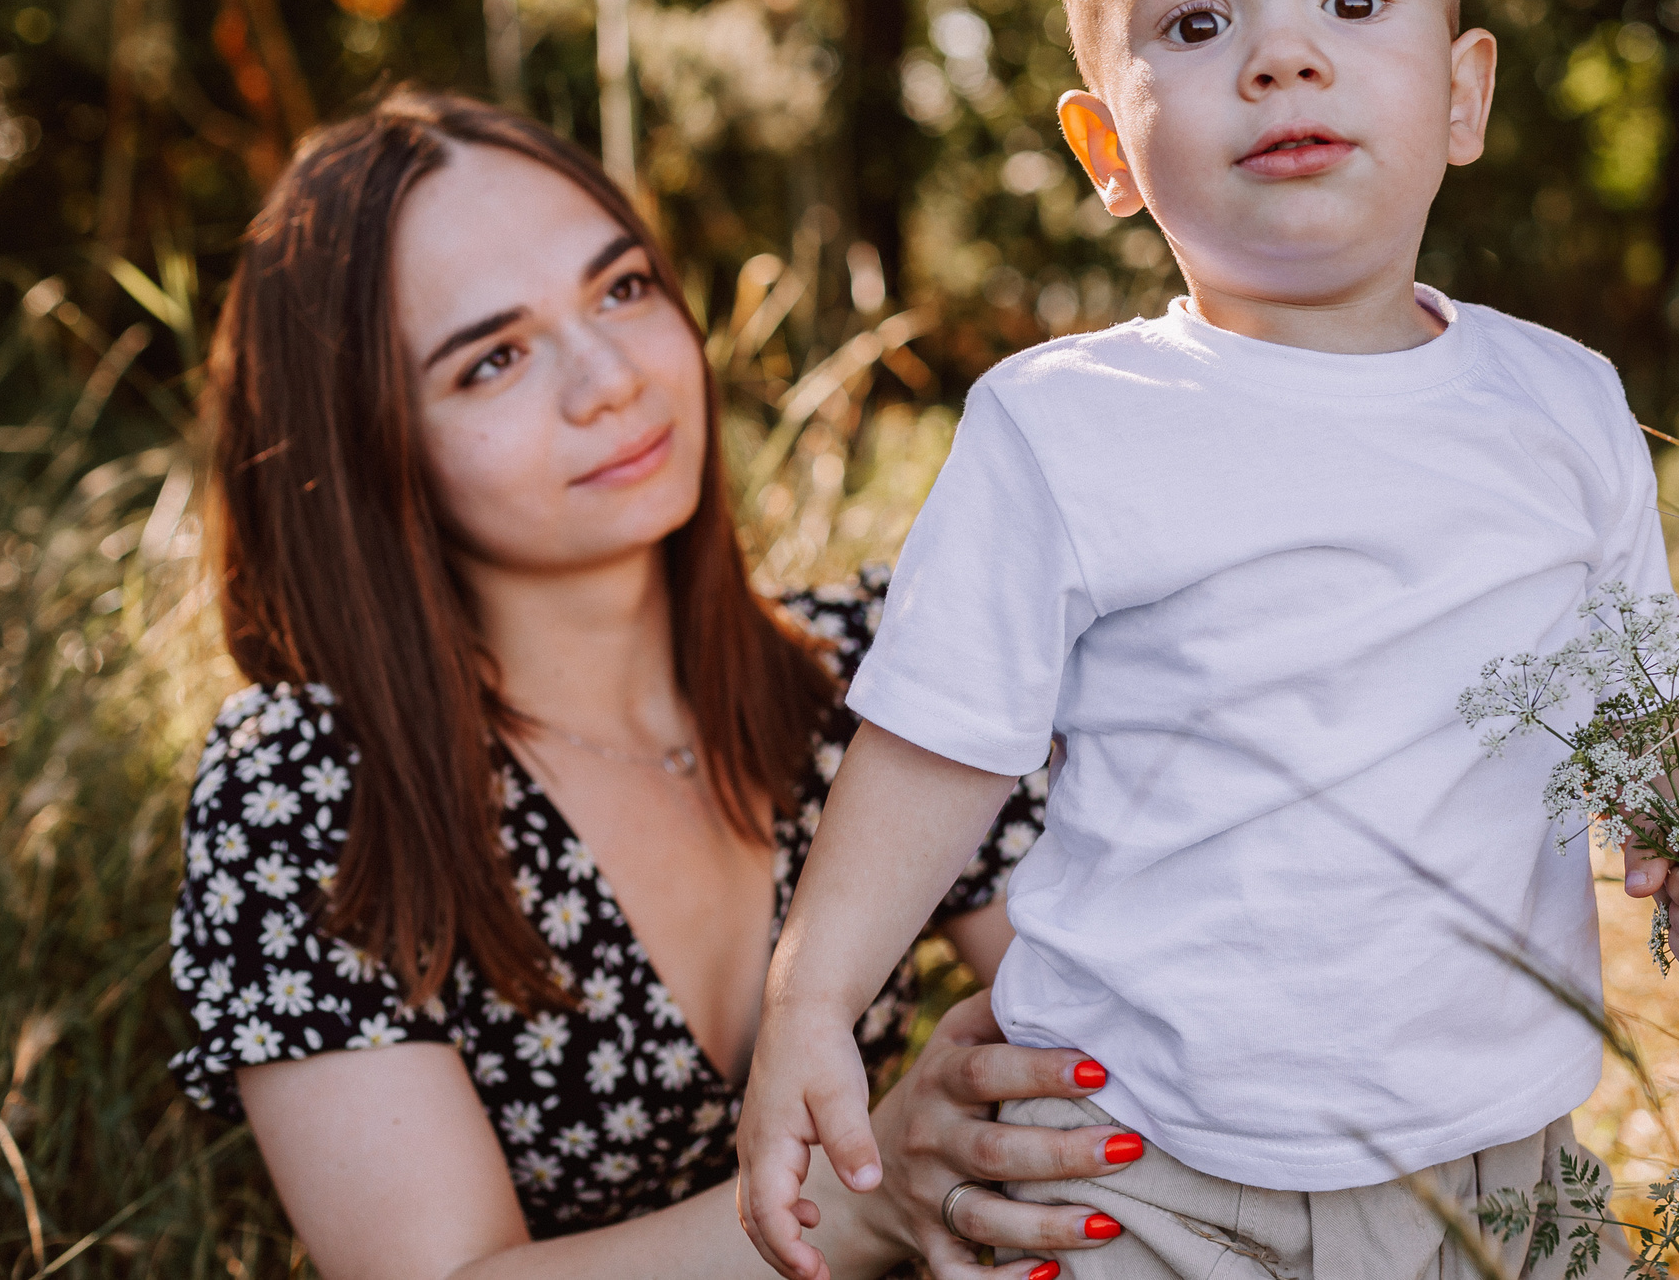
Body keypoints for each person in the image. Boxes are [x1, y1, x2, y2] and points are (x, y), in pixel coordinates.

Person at [736, 0, 1679, 1280]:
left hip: (1498, 1161)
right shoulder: (1066, 424)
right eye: (1196, 19)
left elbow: (1633, 680)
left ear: (1462, 92)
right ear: (1106, 145)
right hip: (1148, 1166)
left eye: (1352, 0)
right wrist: (812, 994)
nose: (1281, 55)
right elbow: (937, 741)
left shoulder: (1561, 402)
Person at [169, 90, 1143, 1279]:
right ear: (368, 445)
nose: (609, 379)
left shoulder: (869, 668)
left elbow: (1119, 1028)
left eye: (622, 289)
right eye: (494, 358)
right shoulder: (309, 788)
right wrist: (869, 1194)